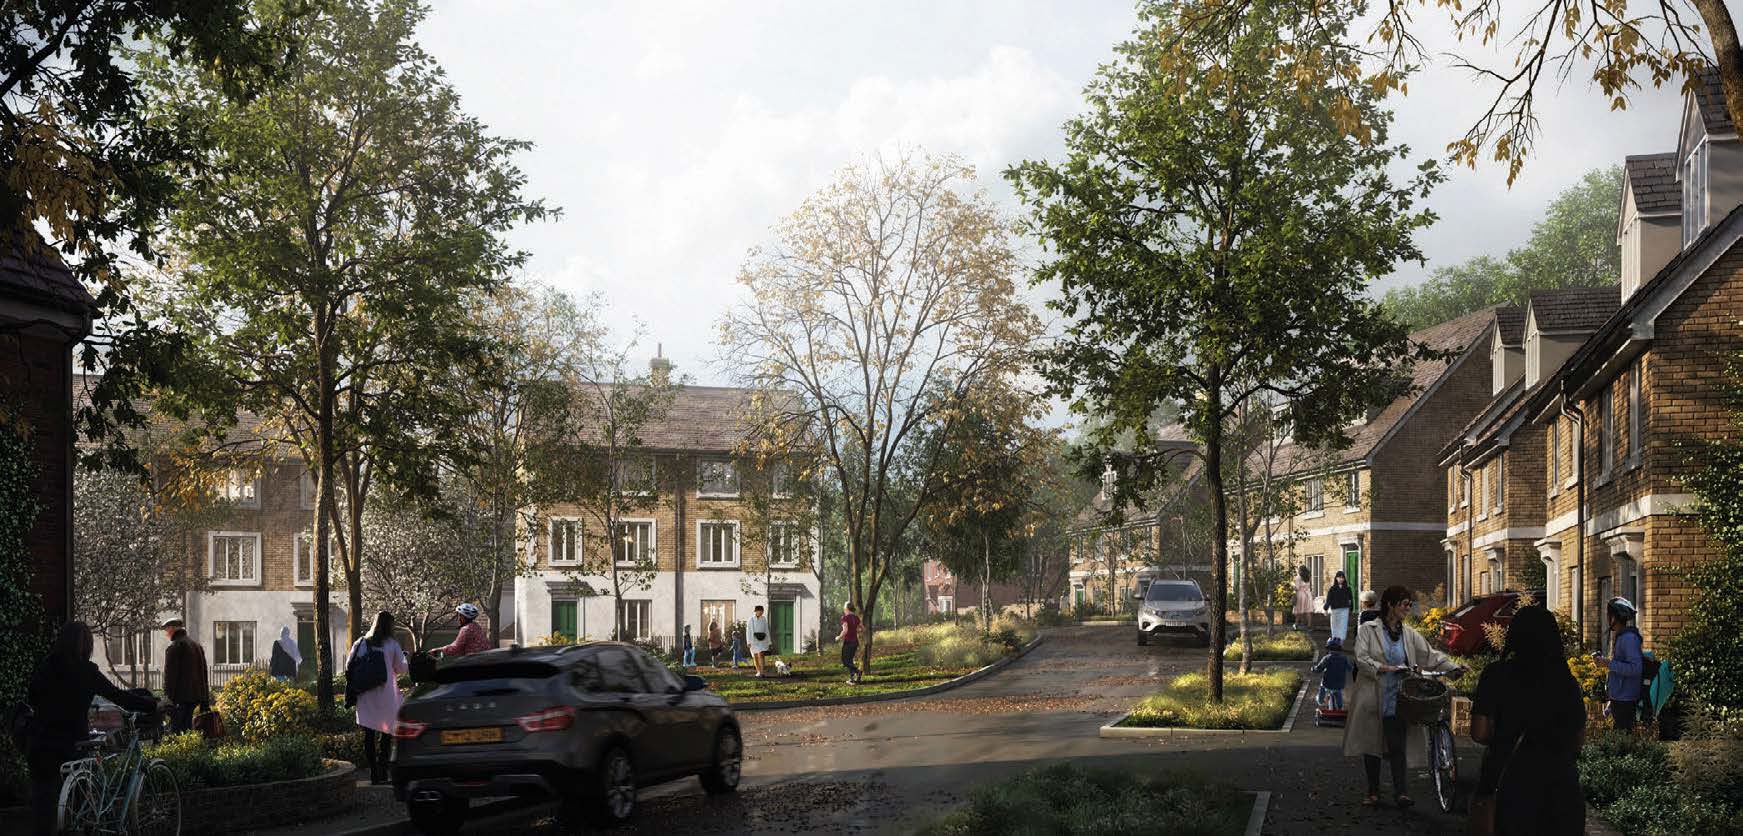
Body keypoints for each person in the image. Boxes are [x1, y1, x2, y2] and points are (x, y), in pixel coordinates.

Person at [25, 622, 161, 836]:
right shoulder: (87, 671)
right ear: (86, 645)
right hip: (71, 744)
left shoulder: (46, 666)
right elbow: (119, 696)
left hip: (40, 744)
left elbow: (32, 698)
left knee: (44, 806)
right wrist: (153, 704)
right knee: (81, 803)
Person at [1468, 605, 1586, 835]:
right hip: (1562, 789)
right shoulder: (1566, 682)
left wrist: (1505, 735)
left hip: (1510, 787)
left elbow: (1479, 732)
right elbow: (1578, 740)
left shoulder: (1495, 675)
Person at [1343, 585, 1458, 809]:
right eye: (1404, 604)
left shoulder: (1408, 634)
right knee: (1372, 744)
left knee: (1397, 745)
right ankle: (1373, 791)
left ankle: (1401, 793)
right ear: (1390, 605)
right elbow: (1361, 657)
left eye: (1409, 604)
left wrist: (1453, 667)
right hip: (1373, 695)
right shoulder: (1369, 629)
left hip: (1400, 696)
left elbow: (1429, 655)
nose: (1408, 608)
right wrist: (1383, 668)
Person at [347, 611, 410, 785]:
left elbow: (349, 665)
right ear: (389, 626)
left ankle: (374, 773)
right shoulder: (392, 644)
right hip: (386, 695)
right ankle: (383, 772)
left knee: (368, 735)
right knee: (386, 734)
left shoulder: (361, 643)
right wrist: (404, 657)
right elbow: (402, 668)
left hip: (365, 694)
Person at [1596, 597, 1644, 731]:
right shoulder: (1622, 636)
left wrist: (1609, 663)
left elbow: (1635, 668)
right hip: (1620, 699)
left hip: (1626, 701)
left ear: (1614, 617)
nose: (1606, 617)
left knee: (1624, 742)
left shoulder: (1628, 638)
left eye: (1608, 614)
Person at [161, 618, 209, 734]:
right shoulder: (196, 646)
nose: (166, 634)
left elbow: (170, 677)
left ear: (172, 629)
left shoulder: (175, 647)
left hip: (180, 698)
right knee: (187, 727)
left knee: (176, 730)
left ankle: (181, 751)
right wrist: (205, 699)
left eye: (167, 630)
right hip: (195, 696)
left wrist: (168, 698)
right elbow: (204, 673)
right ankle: (189, 749)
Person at [1312, 636, 1351, 709]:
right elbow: (1350, 668)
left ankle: (1320, 701)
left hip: (1327, 684)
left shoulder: (1327, 658)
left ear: (1328, 648)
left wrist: (1313, 669)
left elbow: (1319, 669)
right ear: (1340, 648)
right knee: (1338, 692)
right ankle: (1340, 707)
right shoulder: (1344, 658)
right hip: (1339, 684)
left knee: (1322, 686)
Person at [838, 602, 863, 685]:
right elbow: (863, 628)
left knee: (845, 661)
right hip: (855, 642)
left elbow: (845, 630)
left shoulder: (845, 618)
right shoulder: (856, 618)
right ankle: (852, 680)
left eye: (844, 609)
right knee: (850, 661)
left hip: (848, 642)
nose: (844, 610)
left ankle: (858, 671)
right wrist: (856, 630)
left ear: (847, 609)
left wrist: (838, 637)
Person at [1326, 571, 1354, 642]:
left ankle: (1341, 640)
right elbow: (1329, 599)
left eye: (1342, 578)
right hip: (1335, 610)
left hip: (1345, 609)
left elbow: (1350, 599)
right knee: (1334, 625)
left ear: (1344, 579)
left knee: (1343, 625)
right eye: (1339, 577)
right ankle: (1334, 639)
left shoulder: (1348, 589)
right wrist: (1326, 608)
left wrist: (1351, 608)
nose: (1341, 579)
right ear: (1336, 578)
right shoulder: (1332, 589)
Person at [747, 606, 772, 677]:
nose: (761, 612)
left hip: (762, 640)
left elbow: (766, 630)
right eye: (760, 611)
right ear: (756, 611)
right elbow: (748, 631)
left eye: (762, 611)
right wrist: (748, 642)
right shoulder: (751, 619)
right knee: (755, 656)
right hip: (753, 640)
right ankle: (758, 671)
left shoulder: (763, 619)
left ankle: (762, 672)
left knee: (761, 654)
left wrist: (769, 641)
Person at [1292, 566, 1314, 631]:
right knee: (1308, 611)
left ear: (1300, 570)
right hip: (1308, 594)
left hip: (1301, 595)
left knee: (1298, 610)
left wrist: (1292, 584)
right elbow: (1309, 586)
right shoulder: (1308, 577)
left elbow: (1297, 588)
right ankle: (1309, 626)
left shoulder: (1298, 577)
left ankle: (1296, 625)